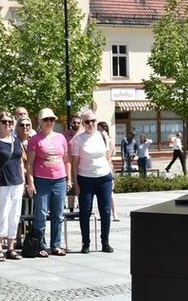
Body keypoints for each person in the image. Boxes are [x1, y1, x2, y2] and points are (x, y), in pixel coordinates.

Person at [25, 107, 69, 257]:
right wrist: (30, 182)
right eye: (46, 120)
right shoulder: (35, 139)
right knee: (41, 214)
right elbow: (29, 163)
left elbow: (66, 160)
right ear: (40, 121)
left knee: (58, 214)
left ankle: (56, 245)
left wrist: (68, 178)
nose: (49, 122)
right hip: (42, 180)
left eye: (52, 119)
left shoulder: (61, 138)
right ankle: (40, 245)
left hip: (59, 180)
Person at [70, 109, 114, 254]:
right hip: (85, 178)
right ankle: (86, 243)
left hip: (104, 177)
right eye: (87, 122)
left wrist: (111, 176)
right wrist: (75, 183)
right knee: (85, 211)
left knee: (106, 211)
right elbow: (74, 163)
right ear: (82, 123)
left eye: (93, 121)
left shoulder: (102, 136)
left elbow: (108, 158)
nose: (91, 124)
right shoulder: (78, 139)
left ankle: (105, 242)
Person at [0, 111, 26, 260]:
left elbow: (20, 161)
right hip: (1, 183)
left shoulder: (16, 140)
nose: (7, 124)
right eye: (4, 122)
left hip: (17, 182)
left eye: (10, 122)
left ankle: (11, 247)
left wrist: (24, 180)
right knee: (1, 215)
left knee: (14, 216)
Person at [97, 121, 121, 222]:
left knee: (110, 191)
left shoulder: (109, 140)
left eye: (99, 129)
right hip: (99, 166)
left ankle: (114, 213)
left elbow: (108, 155)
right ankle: (103, 213)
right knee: (100, 192)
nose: (97, 131)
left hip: (107, 165)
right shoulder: (97, 139)